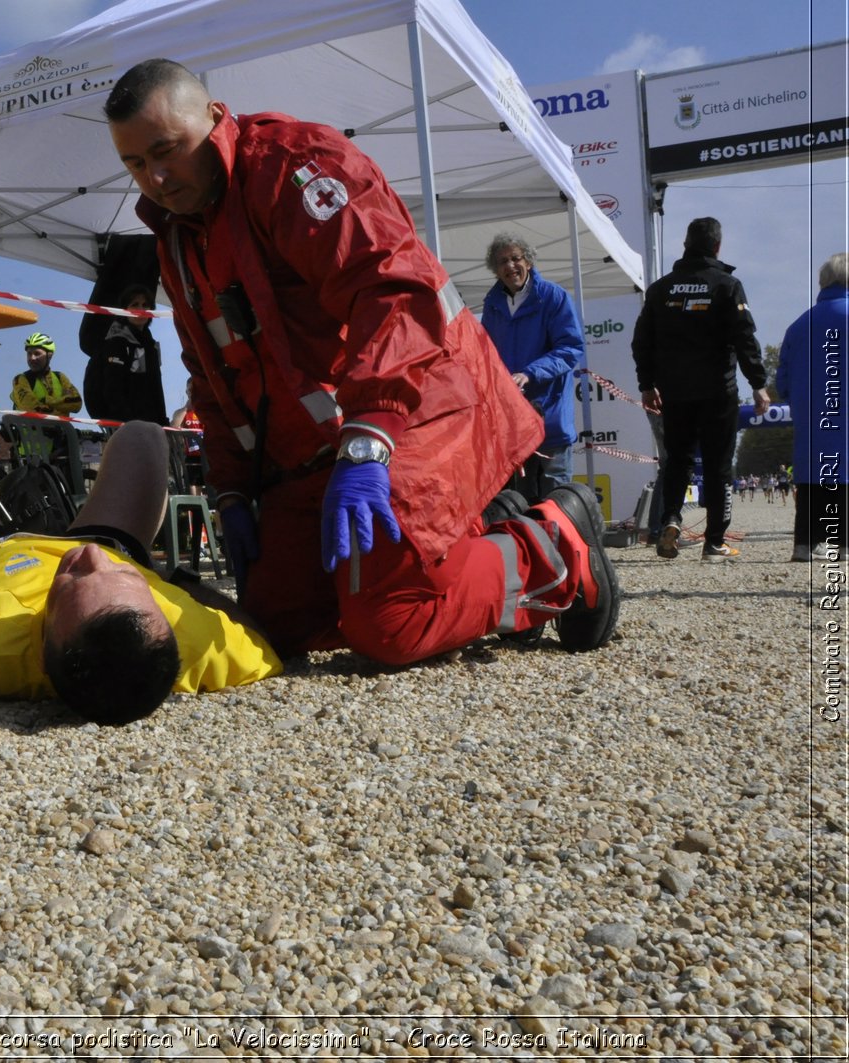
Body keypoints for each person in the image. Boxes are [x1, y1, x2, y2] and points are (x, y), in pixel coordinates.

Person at [102, 59, 620, 664]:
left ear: (215, 117)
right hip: (316, 449)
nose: (157, 177)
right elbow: (213, 376)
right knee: (275, 627)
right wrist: (233, 491)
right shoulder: (178, 237)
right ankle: (471, 554)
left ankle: (551, 547)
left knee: (386, 624)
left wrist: (369, 440)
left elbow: (392, 292)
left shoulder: (294, 168)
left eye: (168, 149)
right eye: (135, 164)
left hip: (420, 408)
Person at [0, 421, 281, 722]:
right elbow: (261, 643)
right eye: (126, 580)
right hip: (117, 543)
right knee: (143, 435)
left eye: (70, 582)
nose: (89, 556)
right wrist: (178, 581)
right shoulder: (192, 640)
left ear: (43, 651)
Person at [632, 217, 770, 562]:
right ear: (717, 247)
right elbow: (744, 337)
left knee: (677, 460)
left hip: (674, 392)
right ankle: (714, 543)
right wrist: (758, 384)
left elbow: (641, 342)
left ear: (685, 244)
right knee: (718, 464)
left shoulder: (660, 289)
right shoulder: (727, 285)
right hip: (717, 391)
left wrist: (647, 385)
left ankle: (671, 520)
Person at [479, 234, 584, 503]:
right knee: (519, 499)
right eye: (503, 261)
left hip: (549, 414)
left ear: (528, 260)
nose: (510, 266)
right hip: (512, 420)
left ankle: (559, 545)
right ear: (495, 268)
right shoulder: (492, 303)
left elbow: (570, 348)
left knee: (555, 498)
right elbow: (487, 354)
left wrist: (530, 372)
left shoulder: (553, 297)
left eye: (516, 258)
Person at [777, 251, 848, 562]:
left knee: (810, 476)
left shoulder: (798, 325)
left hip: (811, 416)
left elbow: (782, 382)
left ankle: (804, 544)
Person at [83, 284, 168, 425]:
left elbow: (155, 386)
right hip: (123, 425)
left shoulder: (151, 346)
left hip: (150, 425)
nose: (141, 310)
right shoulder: (115, 342)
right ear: (124, 310)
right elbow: (112, 389)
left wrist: (163, 423)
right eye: (135, 304)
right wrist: (128, 423)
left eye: (145, 305)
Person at [10, 332, 82, 416]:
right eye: (29, 354)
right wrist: (60, 407)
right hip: (30, 428)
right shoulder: (20, 379)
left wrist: (46, 400)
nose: (32, 358)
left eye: (37, 353)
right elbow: (32, 409)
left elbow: (77, 403)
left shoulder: (60, 377)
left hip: (60, 428)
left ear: (50, 355)